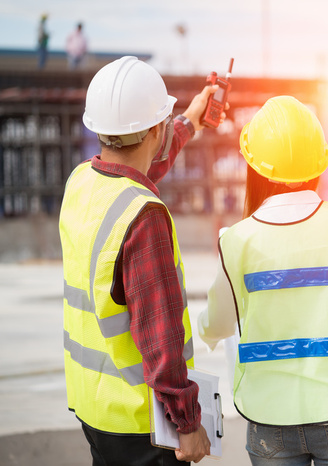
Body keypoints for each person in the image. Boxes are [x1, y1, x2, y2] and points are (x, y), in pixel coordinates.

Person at [59, 55, 227, 465]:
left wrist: (190, 119)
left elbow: (139, 165)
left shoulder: (82, 181)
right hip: (141, 425)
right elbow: (161, 334)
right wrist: (187, 424)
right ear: (155, 129)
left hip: (95, 408)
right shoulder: (145, 215)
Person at [198, 95, 328, 465]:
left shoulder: (235, 239)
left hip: (268, 412)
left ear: (256, 167)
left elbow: (216, 325)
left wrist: (207, 330)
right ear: (318, 163)